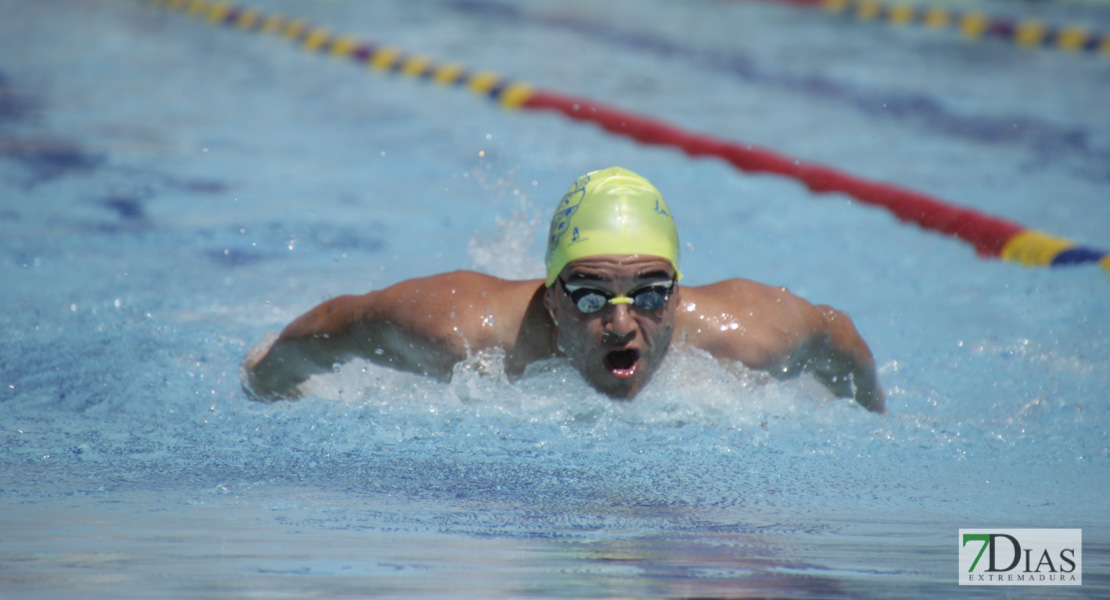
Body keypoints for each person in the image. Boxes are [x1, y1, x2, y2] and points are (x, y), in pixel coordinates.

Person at [243, 167, 885, 413]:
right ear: (551, 296)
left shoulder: (749, 337)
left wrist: (873, 418)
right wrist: (268, 382)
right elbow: (341, 323)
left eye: (650, 292)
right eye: (589, 295)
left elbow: (840, 337)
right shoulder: (461, 332)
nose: (622, 323)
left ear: (680, 295)